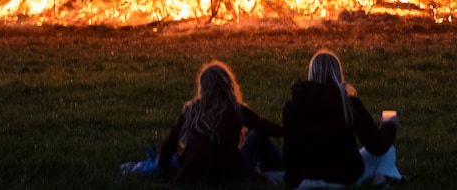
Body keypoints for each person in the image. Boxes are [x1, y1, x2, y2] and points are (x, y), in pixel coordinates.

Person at [134, 61, 284, 185]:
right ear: (228, 86)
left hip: (192, 175)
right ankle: (285, 168)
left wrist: (162, 164)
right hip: (230, 177)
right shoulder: (235, 109)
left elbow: (171, 140)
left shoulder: (192, 110)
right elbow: (266, 127)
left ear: (203, 87)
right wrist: (290, 129)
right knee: (257, 134)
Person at [283, 50, 400, 188]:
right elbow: (377, 146)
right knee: (388, 150)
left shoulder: (292, 106)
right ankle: (380, 181)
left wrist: (291, 180)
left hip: (303, 181)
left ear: (311, 73)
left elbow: (290, 151)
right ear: (338, 73)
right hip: (344, 178)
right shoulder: (349, 103)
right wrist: (389, 125)